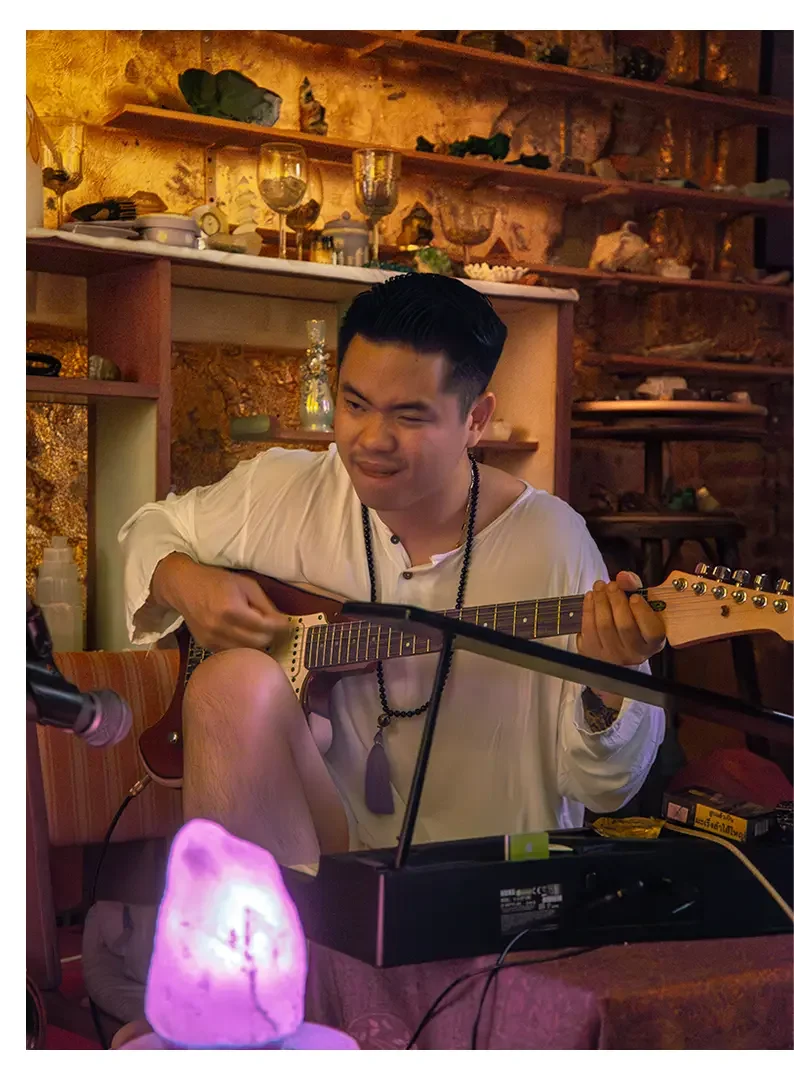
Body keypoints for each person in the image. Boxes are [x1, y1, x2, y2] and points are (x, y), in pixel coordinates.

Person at [119, 273, 666, 867]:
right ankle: (253, 948)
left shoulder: (552, 539)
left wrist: (612, 682)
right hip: (323, 857)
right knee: (229, 683)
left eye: (409, 416)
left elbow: (605, 788)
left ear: (477, 419)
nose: (371, 440)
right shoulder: (281, 490)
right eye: (355, 405)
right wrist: (188, 584)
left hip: (487, 878)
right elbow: (151, 528)